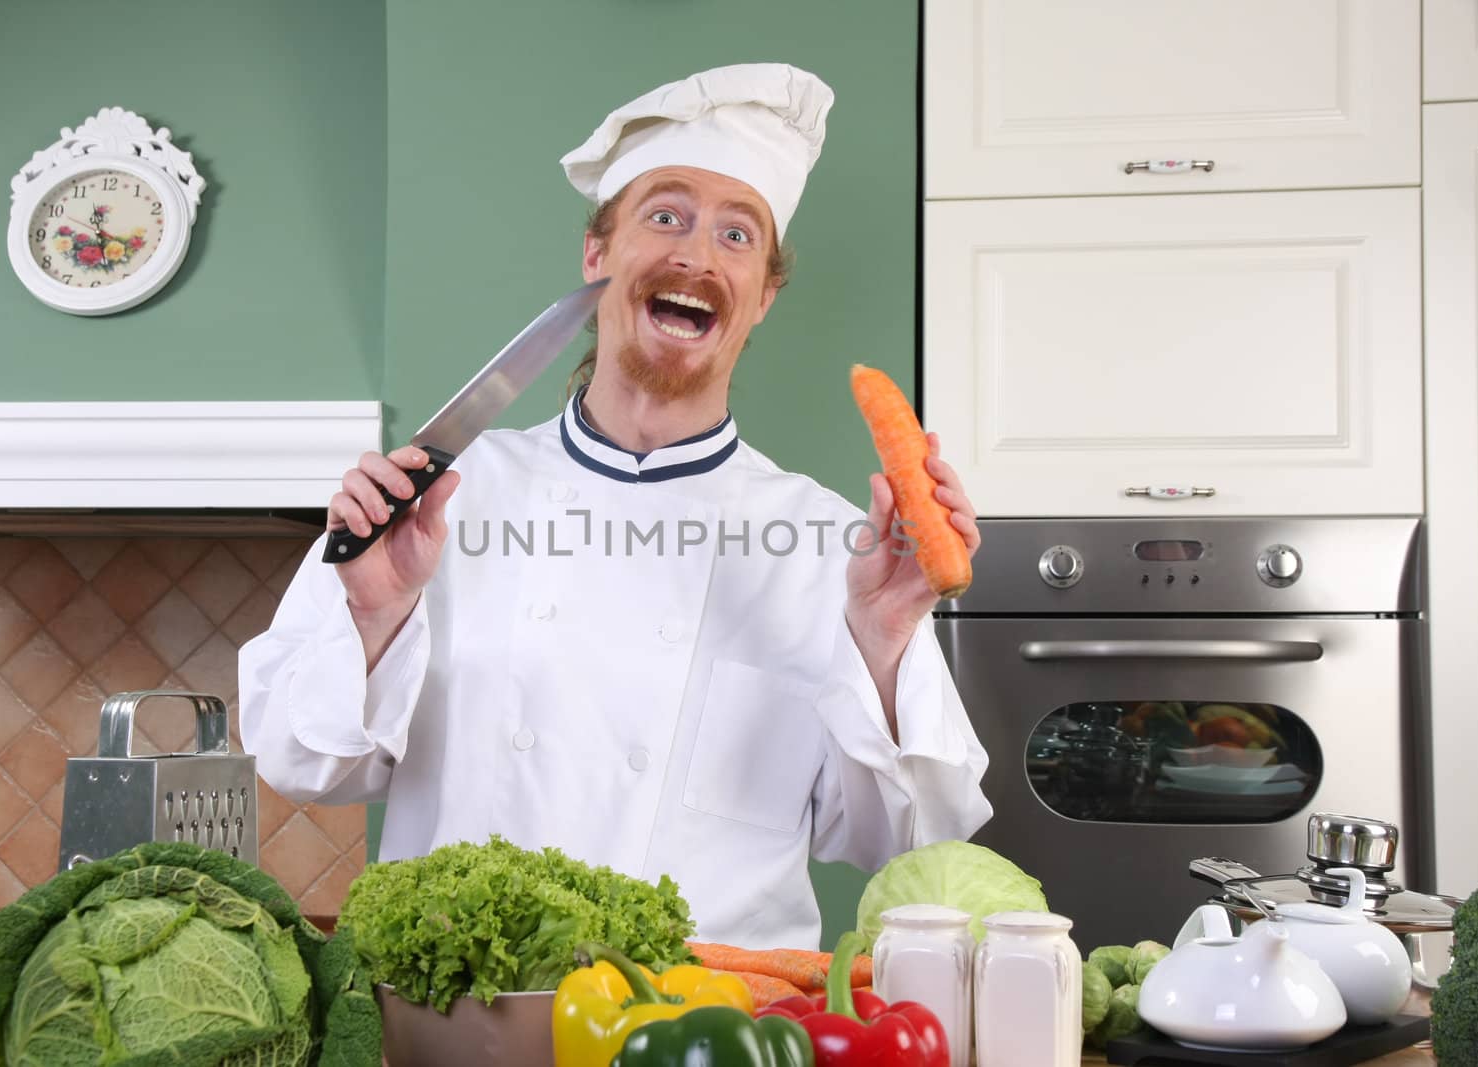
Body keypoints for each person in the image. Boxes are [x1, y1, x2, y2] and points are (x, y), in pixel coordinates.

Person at [238, 63, 992, 949]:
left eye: (737, 234)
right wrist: (373, 613)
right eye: (665, 216)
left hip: (707, 1028)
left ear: (763, 298)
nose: (697, 255)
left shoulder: (831, 545)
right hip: (469, 1024)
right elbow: (302, 762)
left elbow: (904, 838)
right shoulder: (436, 503)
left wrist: (885, 638)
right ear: (598, 257)